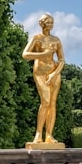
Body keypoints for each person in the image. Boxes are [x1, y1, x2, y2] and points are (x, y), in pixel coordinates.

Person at [22, 13, 65, 144]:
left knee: (52, 103)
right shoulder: (36, 39)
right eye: (48, 22)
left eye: (52, 23)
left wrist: (54, 74)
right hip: (40, 73)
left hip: (54, 74)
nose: (50, 25)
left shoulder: (56, 40)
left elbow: (62, 60)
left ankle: (49, 135)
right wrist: (43, 54)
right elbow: (25, 54)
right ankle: (38, 134)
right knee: (45, 102)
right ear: (42, 23)